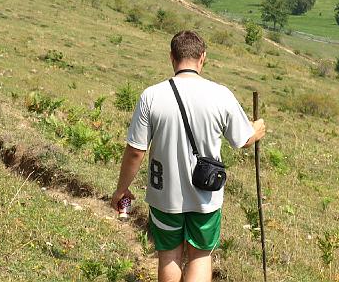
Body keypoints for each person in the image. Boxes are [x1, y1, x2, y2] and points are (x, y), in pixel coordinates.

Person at [112, 31, 266, 282]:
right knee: (200, 256)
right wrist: (256, 131)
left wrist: (122, 189)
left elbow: (136, 151)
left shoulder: (151, 95)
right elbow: (242, 140)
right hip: (206, 195)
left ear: (172, 57)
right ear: (202, 57)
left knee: (168, 255)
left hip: (164, 195)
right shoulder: (221, 94)